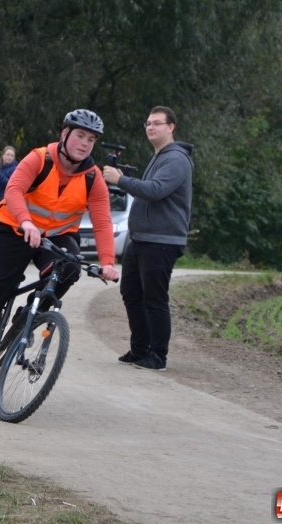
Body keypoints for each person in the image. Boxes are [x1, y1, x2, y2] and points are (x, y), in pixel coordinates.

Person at [0, 109, 121, 385]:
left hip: (56, 236)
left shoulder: (93, 177)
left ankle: (31, 313)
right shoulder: (40, 158)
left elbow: (102, 222)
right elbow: (13, 190)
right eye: (80, 136)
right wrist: (26, 221)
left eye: (91, 139)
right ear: (64, 134)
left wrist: (108, 262)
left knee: (69, 268)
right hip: (15, 228)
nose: (85, 143)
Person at [102, 105, 193, 372]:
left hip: (162, 240)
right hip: (142, 238)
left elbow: (155, 190)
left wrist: (121, 180)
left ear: (171, 127)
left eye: (157, 123)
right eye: (148, 124)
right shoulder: (159, 156)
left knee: (154, 298)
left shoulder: (176, 159)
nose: (151, 127)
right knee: (131, 293)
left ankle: (158, 356)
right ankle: (140, 349)